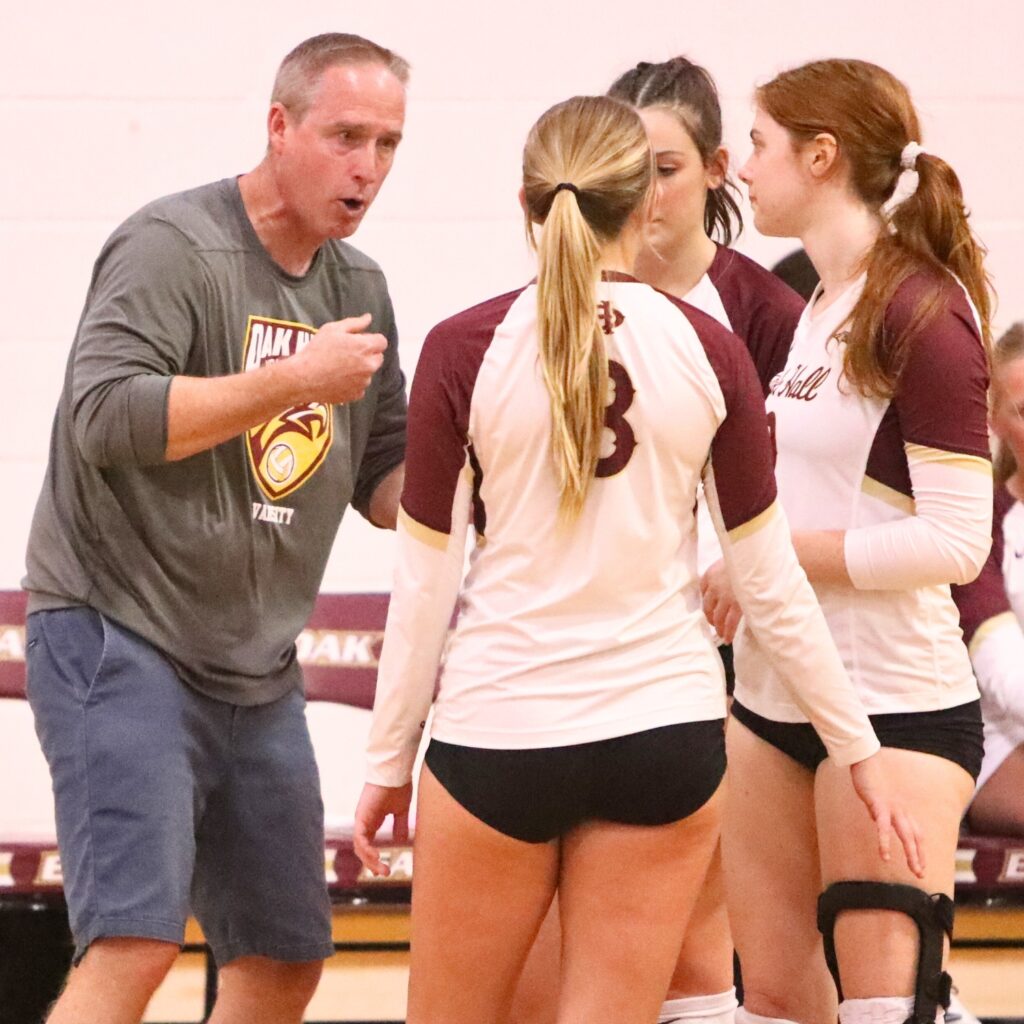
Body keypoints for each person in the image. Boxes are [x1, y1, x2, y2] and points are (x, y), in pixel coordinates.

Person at [353, 94, 919, 1024]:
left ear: (527, 202)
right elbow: (769, 581)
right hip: (664, 738)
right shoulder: (709, 348)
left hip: (502, 730)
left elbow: (426, 583)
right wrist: (857, 746)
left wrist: (385, 763)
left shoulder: (464, 348)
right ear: (645, 204)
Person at [22, 32, 409, 1024]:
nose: (367, 166)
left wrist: (506, 497)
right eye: (346, 135)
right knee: (135, 941)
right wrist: (291, 381)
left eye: (389, 144)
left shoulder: (358, 290)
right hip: (121, 632)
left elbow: (382, 476)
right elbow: (103, 417)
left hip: (253, 664)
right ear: (279, 128)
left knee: (284, 955)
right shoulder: (171, 247)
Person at [511, 56, 807, 1024]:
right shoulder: (550, 304)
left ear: (718, 168)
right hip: (570, 665)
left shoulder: (762, 317)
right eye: (628, 167)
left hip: (722, 667)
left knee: (709, 953)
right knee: (551, 969)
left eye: (667, 166)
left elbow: (808, 490)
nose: (645, 190)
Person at [703, 58, 994, 1024]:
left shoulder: (923, 308)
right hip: (774, 696)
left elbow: (957, 544)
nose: (742, 168)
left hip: (895, 701)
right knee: (776, 1003)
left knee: (882, 1009)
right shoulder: (821, 303)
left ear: (820, 156)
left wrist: (774, 559)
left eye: (757, 144)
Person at [954, 322, 1024, 837]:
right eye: (1023, 410)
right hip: (1003, 737)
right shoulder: (982, 520)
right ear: (995, 421)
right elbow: (1000, 668)